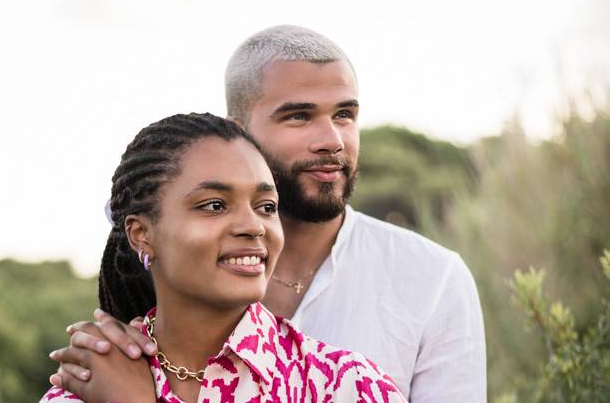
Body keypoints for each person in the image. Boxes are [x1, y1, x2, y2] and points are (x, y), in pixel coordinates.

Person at [51, 26, 486, 402]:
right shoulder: (111, 366)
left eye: (345, 115)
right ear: (237, 132)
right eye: (299, 116)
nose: (332, 140)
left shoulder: (368, 362)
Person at [41, 113, 407, 402]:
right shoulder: (85, 390)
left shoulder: (347, 388)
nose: (254, 226)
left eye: (266, 206)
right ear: (142, 234)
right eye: (214, 205)